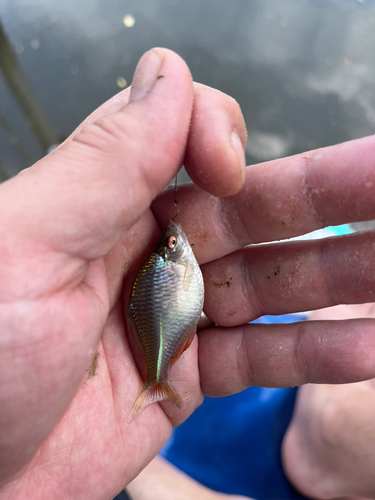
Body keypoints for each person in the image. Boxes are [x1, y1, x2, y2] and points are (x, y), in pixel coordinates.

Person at [0, 47, 375, 500]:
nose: (174, 237)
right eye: (172, 243)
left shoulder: (169, 265)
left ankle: (151, 403)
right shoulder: (170, 265)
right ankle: (153, 390)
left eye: (171, 242)